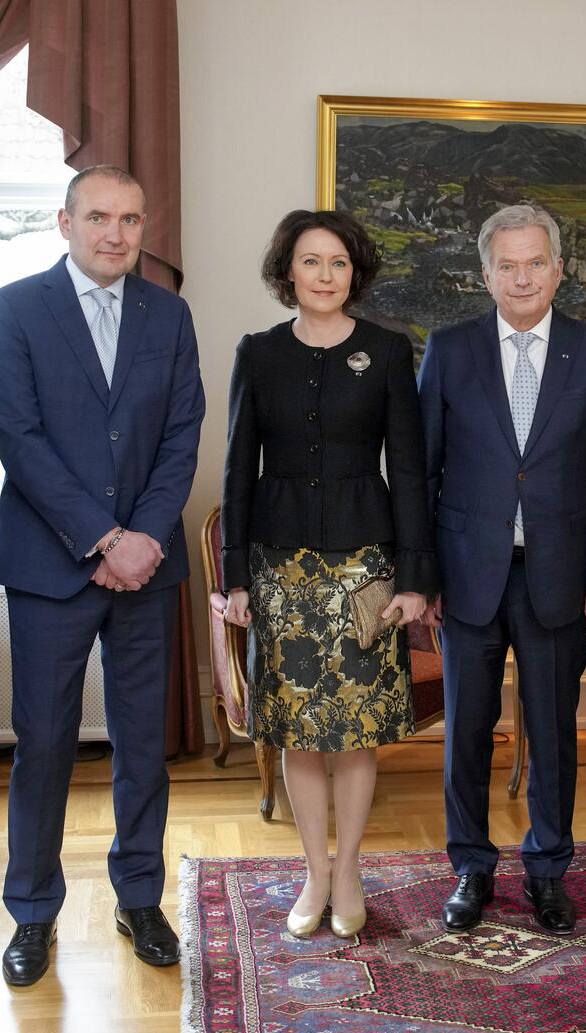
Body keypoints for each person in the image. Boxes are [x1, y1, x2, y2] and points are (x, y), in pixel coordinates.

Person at [0, 165, 205, 982]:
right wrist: (104, 538)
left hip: (148, 568)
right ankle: (32, 912)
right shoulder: (15, 308)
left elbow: (182, 434)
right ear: (64, 222)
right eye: (100, 217)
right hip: (52, 566)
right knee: (43, 745)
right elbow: (18, 437)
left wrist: (141, 539)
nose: (116, 233)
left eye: (131, 219)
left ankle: (139, 898)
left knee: (143, 744)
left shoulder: (167, 314)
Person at [418, 204, 586, 937]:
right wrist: (423, 578)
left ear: (558, 270)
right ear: (485, 275)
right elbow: (422, 472)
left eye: (535, 263)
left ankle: (547, 870)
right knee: (466, 734)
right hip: (465, 576)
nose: (522, 277)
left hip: (560, 578)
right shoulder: (449, 350)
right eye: (506, 265)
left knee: (553, 732)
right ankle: (471, 868)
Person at [220, 210, 436, 939]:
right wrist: (236, 577)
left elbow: (409, 470)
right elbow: (237, 468)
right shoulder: (258, 353)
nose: (324, 275)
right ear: (288, 272)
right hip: (279, 569)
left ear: (355, 273)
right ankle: (315, 871)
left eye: (338, 262)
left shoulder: (387, 351)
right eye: (310, 261)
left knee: (354, 731)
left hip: (364, 568)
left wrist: (415, 578)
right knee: (297, 731)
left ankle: (349, 872)